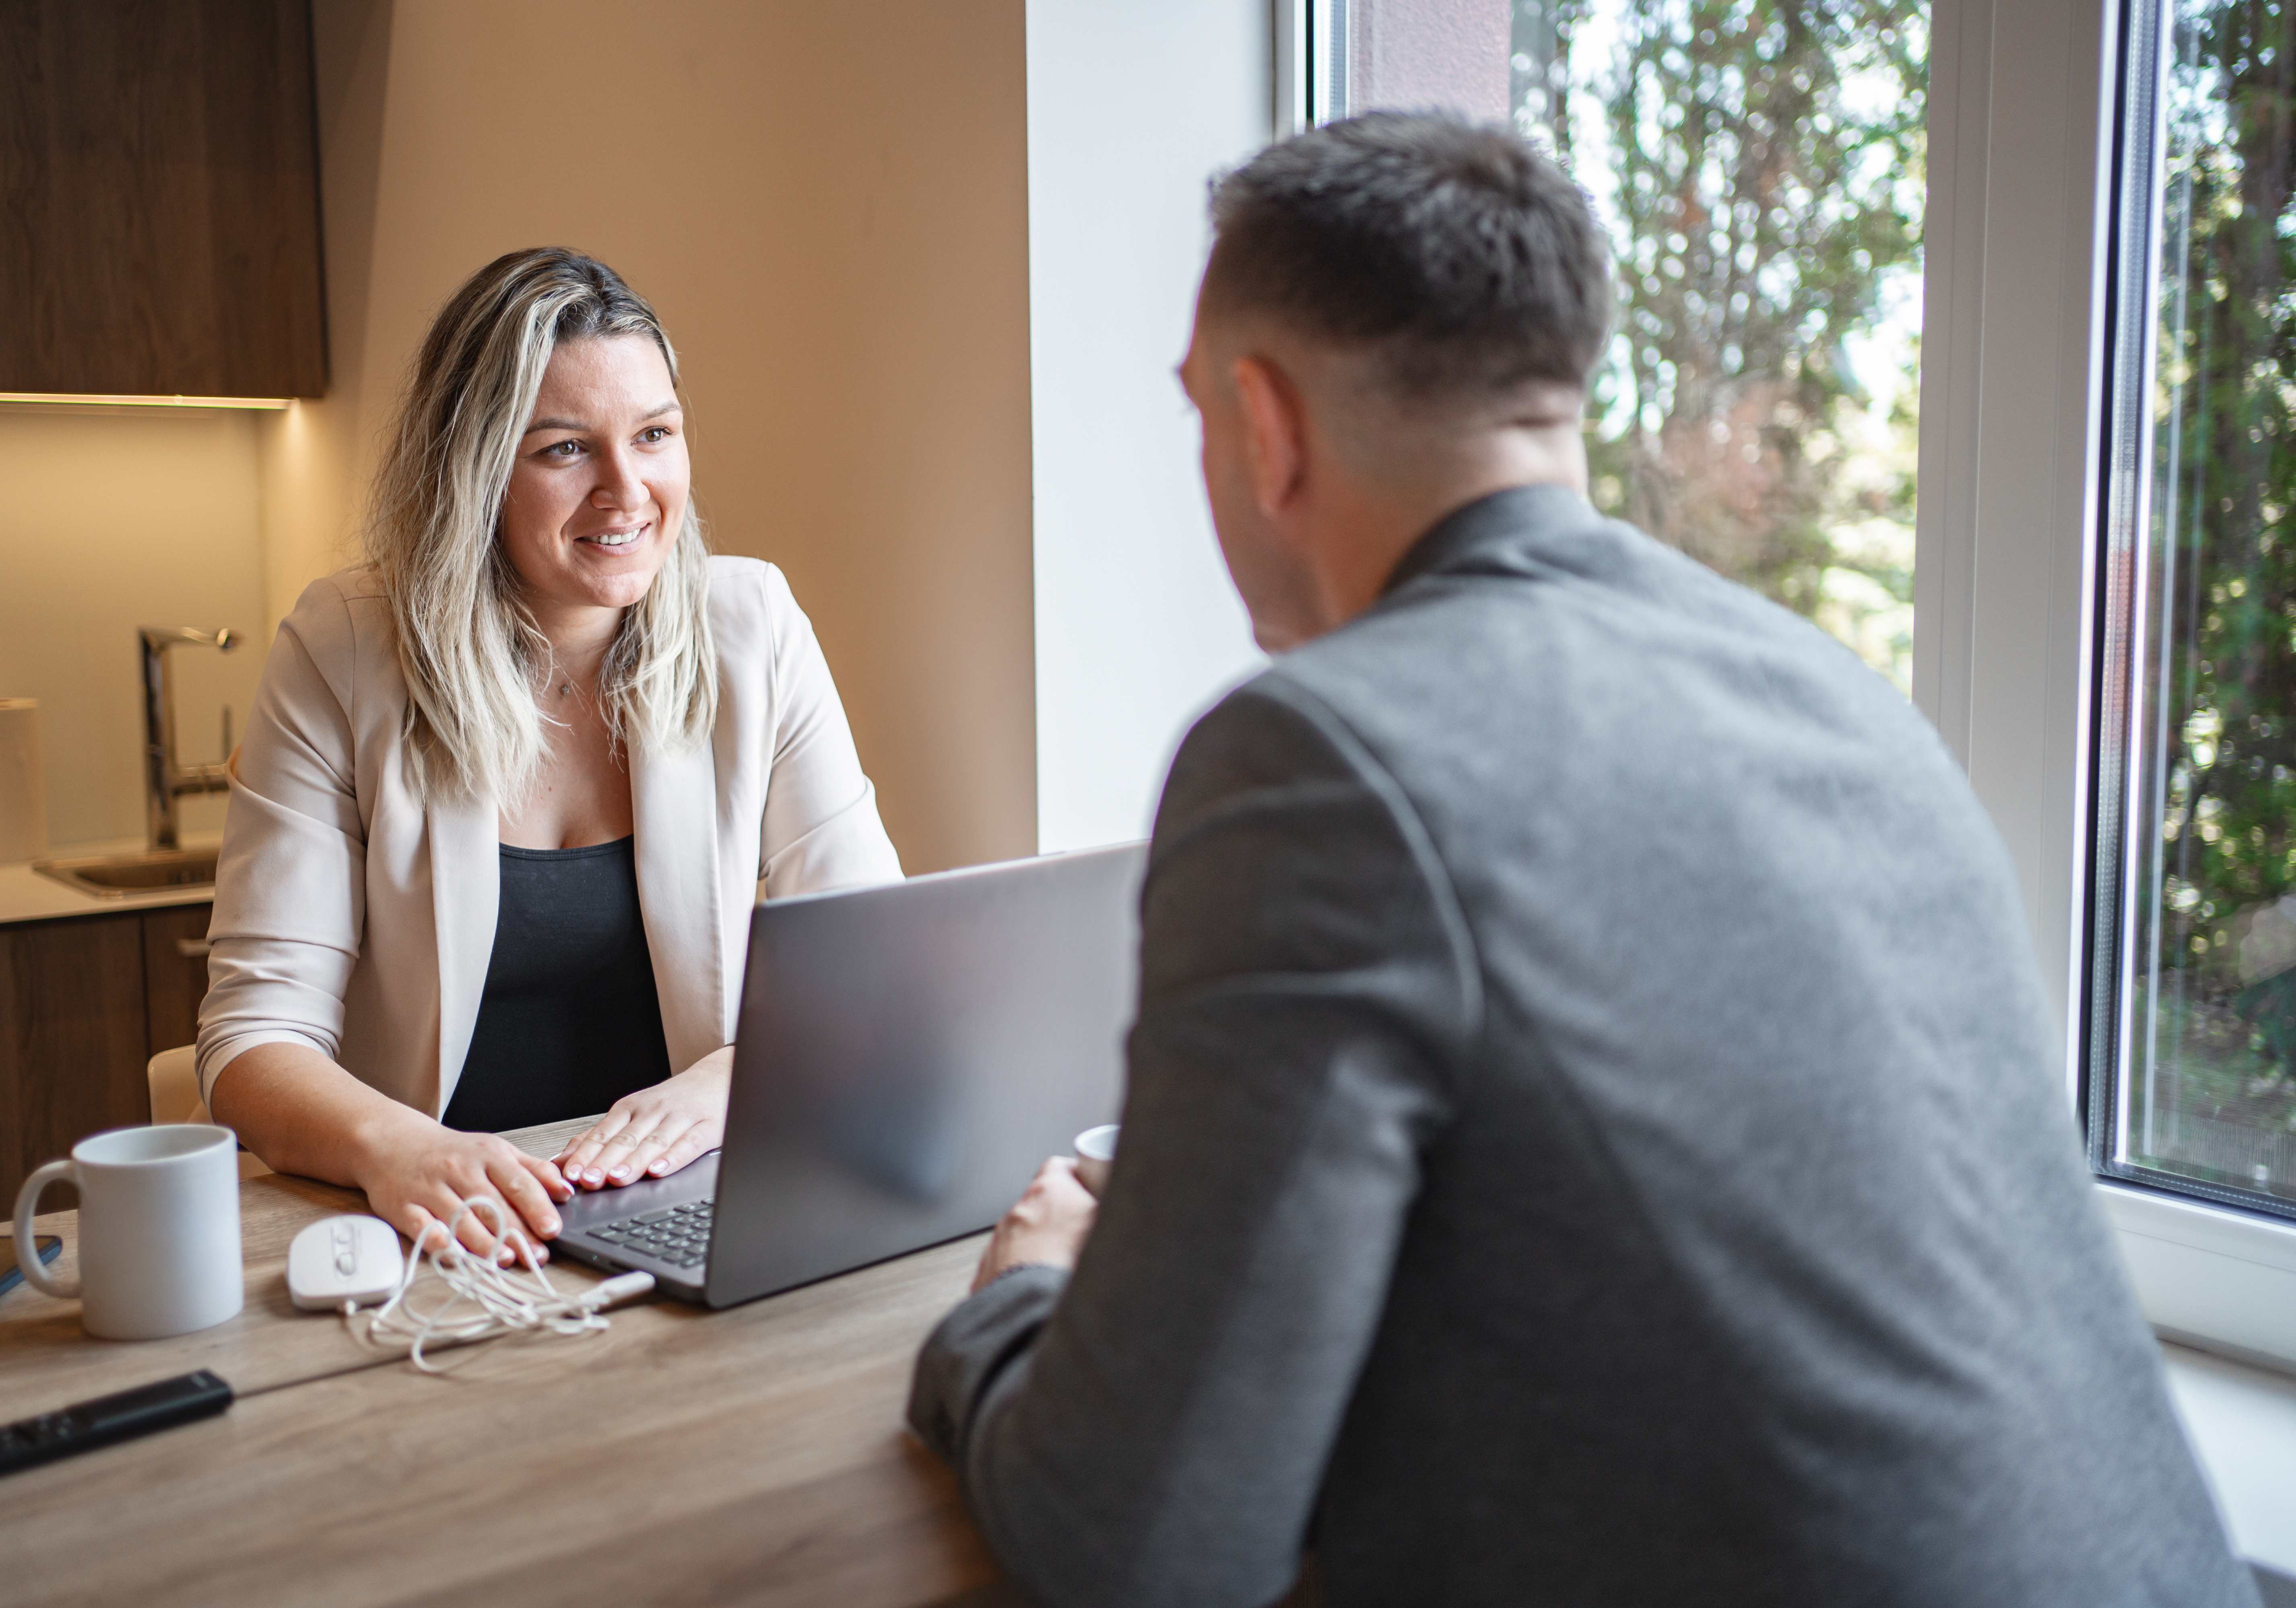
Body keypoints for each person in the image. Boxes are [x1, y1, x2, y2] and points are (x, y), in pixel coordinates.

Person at [908, 115, 2257, 1607]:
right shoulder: (1836, 696)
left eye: (1196, 416)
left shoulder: (1318, 754)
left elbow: (1141, 1546)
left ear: (1264, 424)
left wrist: (1015, 1305)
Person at [200, 248, 900, 1265]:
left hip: (684, 1214)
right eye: (566, 449)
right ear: (474, 467)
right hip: (443, 1227)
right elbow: (253, 1039)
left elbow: (875, 970)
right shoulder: (342, 651)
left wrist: (732, 1082)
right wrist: (402, 1150)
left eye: (655, 435)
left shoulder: (755, 628)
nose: (628, 490)